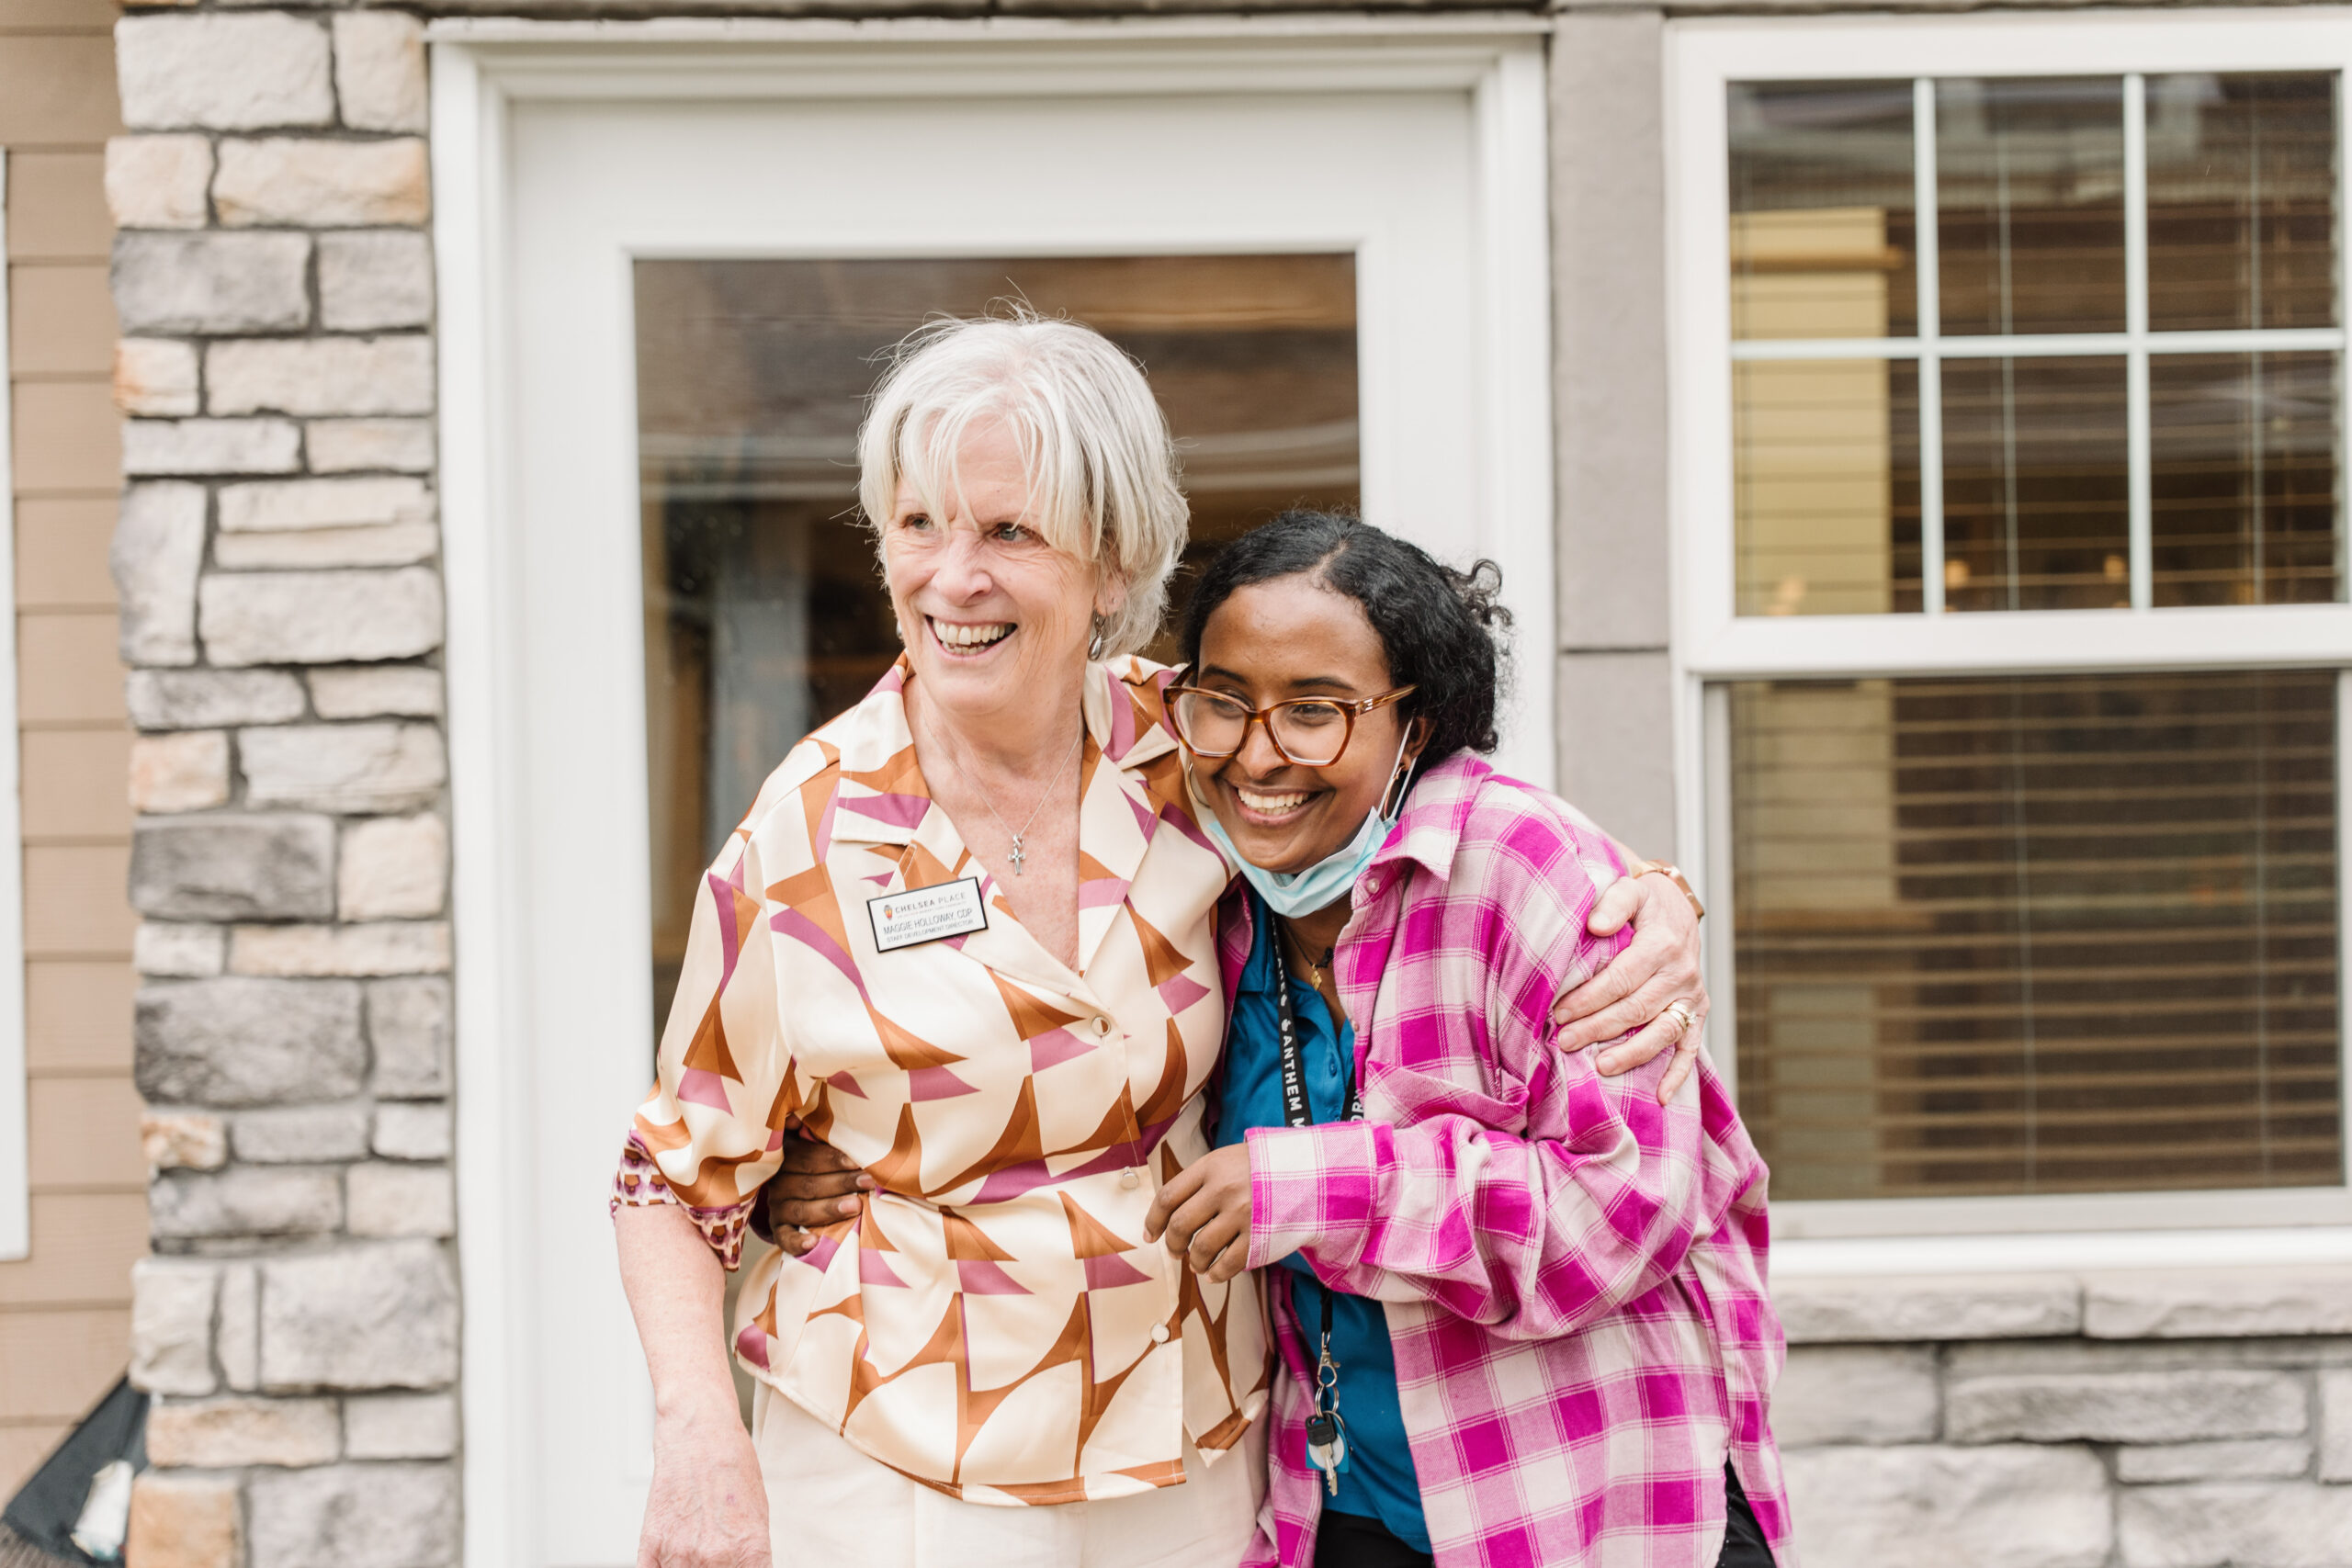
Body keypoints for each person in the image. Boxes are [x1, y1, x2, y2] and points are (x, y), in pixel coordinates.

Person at [613, 315, 1714, 1568]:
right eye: (918, 523)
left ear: (1113, 558)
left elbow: (1446, 818)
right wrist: (697, 1427)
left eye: (1008, 530)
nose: (950, 575)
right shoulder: (800, 843)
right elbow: (674, 1172)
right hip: (901, 1443)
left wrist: (1659, 897)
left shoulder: (1191, 739)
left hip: (1191, 1431)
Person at [1142, 512, 1790, 1568]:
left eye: (1316, 712)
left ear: (1417, 722)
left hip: (1582, 1501)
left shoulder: (1529, 870)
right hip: (1341, 1504)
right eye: (1225, 701)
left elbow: (1619, 1213)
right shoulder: (1200, 884)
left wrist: (1326, 1185)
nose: (1257, 755)